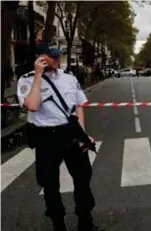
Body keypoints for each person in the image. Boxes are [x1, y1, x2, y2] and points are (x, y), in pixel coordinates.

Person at [16, 43, 101, 231]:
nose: (56, 60)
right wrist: (38, 75)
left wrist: (83, 135)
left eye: (57, 56)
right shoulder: (27, 80)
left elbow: (78, 106)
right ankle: (58, 223)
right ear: (40, 58)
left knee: (83, 180)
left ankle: (85, 221)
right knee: (49, 183)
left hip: (70, 133)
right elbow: (32, 106)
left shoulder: (68, 78)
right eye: (52, 56)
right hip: (46, 137)